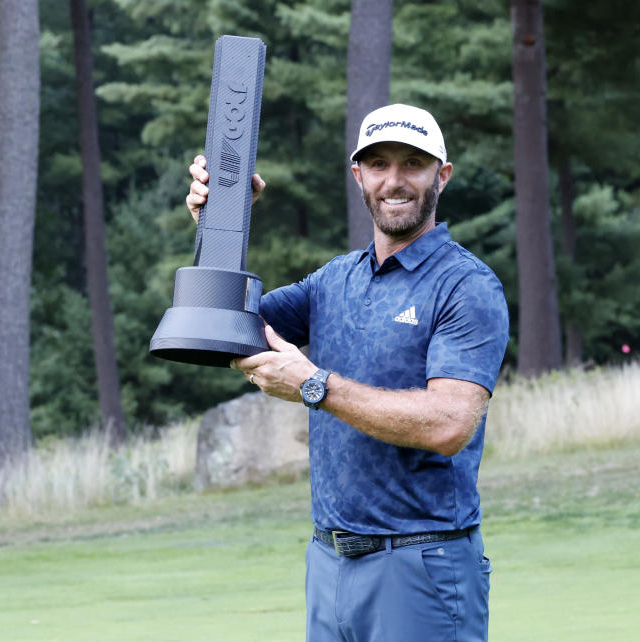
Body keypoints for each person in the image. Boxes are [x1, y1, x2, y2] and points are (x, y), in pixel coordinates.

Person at [186, 103, 509, 642]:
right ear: (358, 175)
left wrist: (315, 386)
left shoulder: (465, 285)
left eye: (414, 164)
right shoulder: (334, 280)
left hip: (420, 565)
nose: (395, 180)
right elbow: (225, 327)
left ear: (442, 176)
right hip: (329, 562)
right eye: (379, 164)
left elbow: (449, 424)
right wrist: (219, 228)